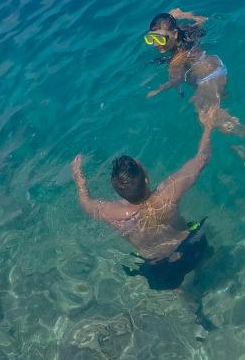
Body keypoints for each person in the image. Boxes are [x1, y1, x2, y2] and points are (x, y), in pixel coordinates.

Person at [71, 110, 216, 290]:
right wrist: (208, 126)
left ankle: (191, 303)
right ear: (146, 179)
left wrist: (79, 178)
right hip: (189, 247)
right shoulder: (167, 193)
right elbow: (202, 158)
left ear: (118, 190)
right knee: (206, 257)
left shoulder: (112, 213)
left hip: (159, 267)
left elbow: (85, 203)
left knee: (181, 291)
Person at [145, 9, 245, 161]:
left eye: (160, 39)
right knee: (214, 111)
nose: (156, 44)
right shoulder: (188, 33)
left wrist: (158, 90)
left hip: (208, 80)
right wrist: (181, 15)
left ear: (175, 34)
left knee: (208, 118)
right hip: (216, 65)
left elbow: (175, 80)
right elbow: (202, 20)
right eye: (151, 39)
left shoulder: (177, 59)